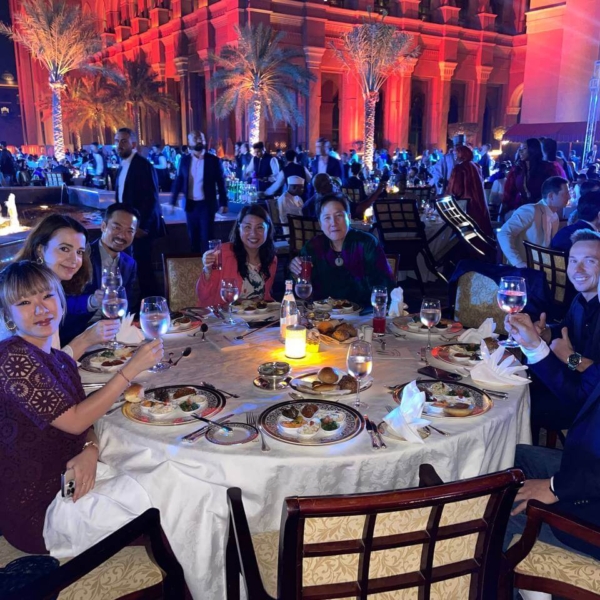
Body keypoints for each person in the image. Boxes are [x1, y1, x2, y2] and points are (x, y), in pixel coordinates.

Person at [0, 260, 163, 554]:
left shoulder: (60, 360)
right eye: (24, 302)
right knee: (164, 507)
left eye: (47, 296)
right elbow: (75, 420)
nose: (40, 308)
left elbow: (86, 422)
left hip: (73, 480)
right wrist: (130, 370)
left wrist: (90, 449)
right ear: (8, 316)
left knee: (163, 478)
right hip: (42, 512)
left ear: (61, 300)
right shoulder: (13, 357)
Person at [503, 308, 600, 564]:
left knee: (496, 513)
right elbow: (582, 392)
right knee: (507, 456)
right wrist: (534, 346)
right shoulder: (580, 304)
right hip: (586, 464)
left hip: (592, 515)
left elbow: (580, 364)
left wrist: (556, 487)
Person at [11, 214, 120, 358]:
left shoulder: (54, 288)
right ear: (40, 250)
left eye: (79, 252)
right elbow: (48, 367)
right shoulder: (19, 289)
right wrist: (86, 339)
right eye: (64, 249)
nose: (75, 260)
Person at [290, 193, 395, 306]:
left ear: (348, 218)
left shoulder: (366, 243)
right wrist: (295, 272)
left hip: (364, 312)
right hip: (322, 313)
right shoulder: (313, 247)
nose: (333, 223)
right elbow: (297, 291)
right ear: (320, 223)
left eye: (339, 216)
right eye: (327, 218)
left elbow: (384, 286)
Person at [61, 204, 139, 342]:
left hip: (113, 334)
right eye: (117, 228)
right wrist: (92, 301)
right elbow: (61, 301)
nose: (122, 235)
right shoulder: (81, 256)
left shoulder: (129, 263)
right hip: (77, 334)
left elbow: (129, 301)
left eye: (129, 231)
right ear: (103, 226)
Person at [114, 127, 166, 298]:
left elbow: (151, 199)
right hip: (127, 226)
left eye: (123, 141)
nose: (119, 145)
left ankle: (153, 302)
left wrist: (141, 226)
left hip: (140, 228)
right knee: (135, 266)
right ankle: (140, 301)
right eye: (117, 141)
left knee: (144, 267)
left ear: (133, 144)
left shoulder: (143, 166)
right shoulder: (122, 166)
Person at [197, 205, 277, 307]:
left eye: (260, 227)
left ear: (268, 229)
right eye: (247, 227)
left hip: (256, 316)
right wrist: (207, 270)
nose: (253, 233)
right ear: (239, 228)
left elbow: (265, 298)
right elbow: (203, 295)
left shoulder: (271, 259)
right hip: (223, 314)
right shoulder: (222, 254)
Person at [171, 130, 228, 253]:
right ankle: (195, 263)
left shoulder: (213, 160)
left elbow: (221, 182)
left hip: (206, 205)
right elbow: (179, 180)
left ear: (204, 141)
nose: (198, 140)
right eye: (195, 138)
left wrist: (223, 203)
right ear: (189, 142)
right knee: (193, 238)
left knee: (207, 237)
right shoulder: (184, 160)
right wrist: (173, 200)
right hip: (190, 205)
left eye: (201, 138)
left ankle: (209, 263)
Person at [498, 176, 569, 267]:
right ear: (551, 196)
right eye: (565, 194)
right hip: (523, 268)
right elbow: (504, 233)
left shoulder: (555, 216)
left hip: (541, 267)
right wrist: (518, 263)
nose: (569, 197)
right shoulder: (531, 210)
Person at [502, 138, 564, 214]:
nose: (520, 151)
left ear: (533, 150)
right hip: (523, 210)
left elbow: (556, 191)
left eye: (524, 148)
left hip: (543, 211)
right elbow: (510, 193)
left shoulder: (548, 169)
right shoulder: (517, 170)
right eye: (520, 149)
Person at [447, 145, 494, 237]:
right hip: (478, 201)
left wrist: (448, 194)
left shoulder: (459, 168)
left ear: (462, 154)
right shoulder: (475, 166)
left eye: (456, 154)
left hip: (466, 205)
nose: (455, 157)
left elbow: (456, 189)